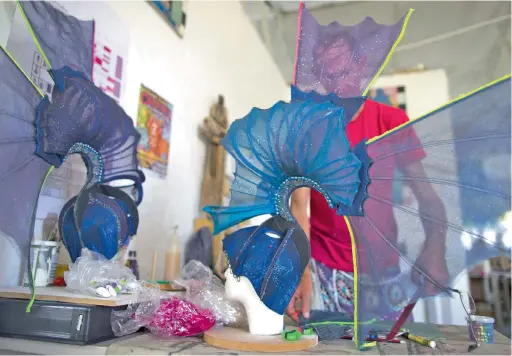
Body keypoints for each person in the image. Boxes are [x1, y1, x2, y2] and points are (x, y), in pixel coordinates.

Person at [287, 30, 449, 322]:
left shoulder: (391, 122)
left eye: (345, 72)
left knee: (390, 346)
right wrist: (301, 271)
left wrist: (435, 247)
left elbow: (428, 198)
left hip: (382, 267)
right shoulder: (308, 127)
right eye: (329, 77)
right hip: (324, 269)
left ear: (361, 65)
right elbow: (299, 204)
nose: (338, 86)